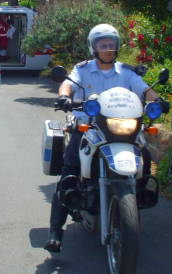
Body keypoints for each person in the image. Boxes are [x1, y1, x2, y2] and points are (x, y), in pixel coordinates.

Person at [44, 24, 161, 253]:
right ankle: (55, 232)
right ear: (93, 47)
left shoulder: (126, 72)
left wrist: (156, 100)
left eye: (111, 44)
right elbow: (67, 83)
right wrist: (64, 97)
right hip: (88, 127)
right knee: (70, 169)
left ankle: (140, 193)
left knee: (145, 155)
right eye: (103, 44)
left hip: (120, 127)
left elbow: (145, 89)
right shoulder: (83, 70)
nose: (108, 49)